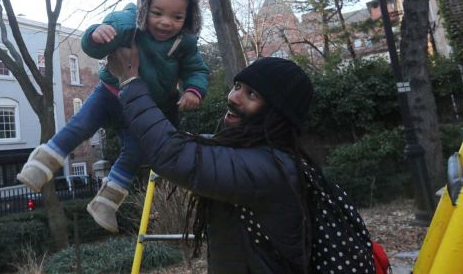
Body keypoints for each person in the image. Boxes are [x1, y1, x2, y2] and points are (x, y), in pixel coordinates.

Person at [106, 47, 376, 273]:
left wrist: (130, 81)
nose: (233, 97)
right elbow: (179, 142)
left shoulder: (270, 168)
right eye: (237, 86)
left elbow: (174, 155)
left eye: (252, 94)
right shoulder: (250, 152)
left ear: (277, 114)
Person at [16, 0, 209, 233]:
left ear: (189, 16)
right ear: (144, 6)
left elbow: (197, 70)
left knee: (134, 152)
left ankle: (106, 203)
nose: (166, 22)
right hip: (110, 92)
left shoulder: (185, 43)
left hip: (142, 106)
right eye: (158, 13)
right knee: (81, 125)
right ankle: (41, 164)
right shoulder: (127, 21)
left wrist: (193, 90)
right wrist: (96, 35)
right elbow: (95, 47)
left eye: (177, 17)